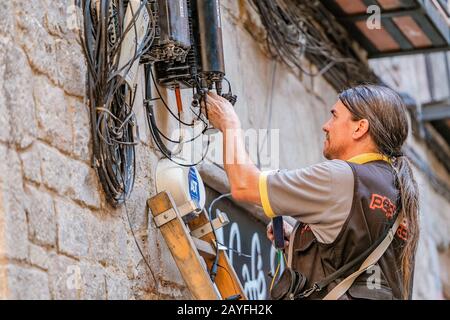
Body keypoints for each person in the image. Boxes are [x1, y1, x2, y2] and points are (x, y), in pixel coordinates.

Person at [204, 84, 419, 300]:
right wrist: (300, 239)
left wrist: (228, 123)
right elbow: (355, 265)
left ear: (360, 128)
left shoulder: (342, 177)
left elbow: (244, 185)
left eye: (334, 117)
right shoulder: (397, 190)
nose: (326, 126)